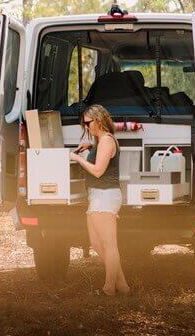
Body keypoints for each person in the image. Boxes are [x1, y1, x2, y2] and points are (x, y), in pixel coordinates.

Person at [69, 104, 130, 296]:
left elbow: (97, 171)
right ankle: (122, 285)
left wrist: (77, 158)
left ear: (98, 120)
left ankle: (108, 288)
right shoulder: (101, 141)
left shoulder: (106, 141)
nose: (86, 127)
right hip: (98, 195)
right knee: (96, 243)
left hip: (105, 195)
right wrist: (90, 147)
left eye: (88, 123)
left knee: (109, 244)